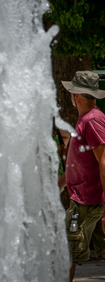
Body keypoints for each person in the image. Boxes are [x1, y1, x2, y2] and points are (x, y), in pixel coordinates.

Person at [58, 71, 105, 282]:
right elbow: (79, 165)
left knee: (66, 252)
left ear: (75, 95)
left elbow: (104, 161)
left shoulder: (92, 120)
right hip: (83, 199)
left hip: (88, 202)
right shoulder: (85, 120)